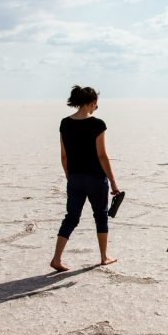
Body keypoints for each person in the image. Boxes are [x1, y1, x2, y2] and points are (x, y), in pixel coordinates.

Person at [50, 85, 121, 272]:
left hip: (74, 178)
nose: (95, 109)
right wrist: (113, 181)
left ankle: (56, 258)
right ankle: (104, 257)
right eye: (95, 105)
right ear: (91, 103)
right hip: (96, 179)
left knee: (71, 218)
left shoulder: (65, 123)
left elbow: (63, 156)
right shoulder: (97, 124)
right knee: (101, 216)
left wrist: (69, 177)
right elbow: (102, 156)